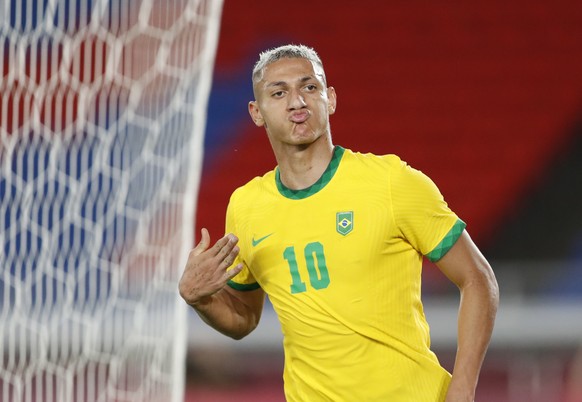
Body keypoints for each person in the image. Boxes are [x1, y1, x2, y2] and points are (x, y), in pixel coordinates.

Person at [179, 44, 499, 402]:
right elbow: (243, 320)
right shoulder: (247, 206)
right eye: (279, 92)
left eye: (309, 87)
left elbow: (478, 279)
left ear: (329, 99)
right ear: (257, 112)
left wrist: (463, 387)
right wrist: (198, 299)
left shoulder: (391, 182)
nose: (297, 102)